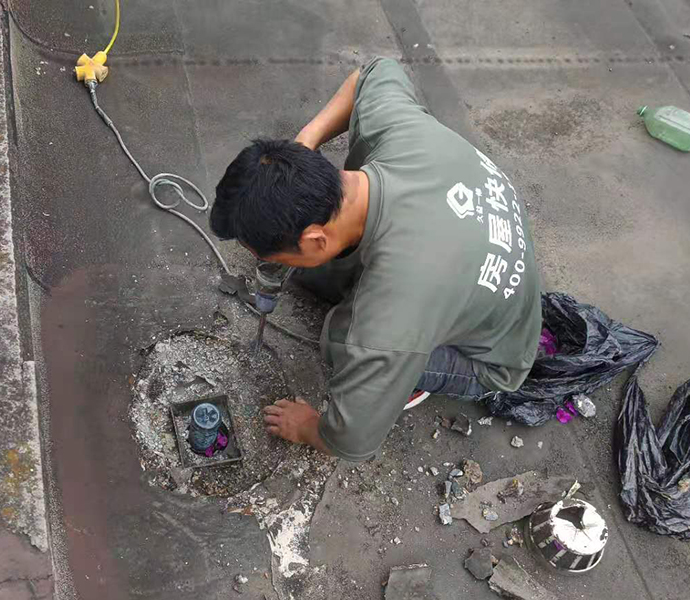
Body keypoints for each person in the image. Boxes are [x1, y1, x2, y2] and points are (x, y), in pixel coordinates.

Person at [210, 58, 541, 462]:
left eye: (267, 256)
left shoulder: (389, 318)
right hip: (467, 262)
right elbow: (373, 71)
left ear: (315, 237)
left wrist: (310, 427)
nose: (266, 266)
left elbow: (351, 443)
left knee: (340, 340)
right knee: (320, 281)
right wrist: (306, 139)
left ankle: (409, 382)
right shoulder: (398, 134)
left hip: (490, 356)